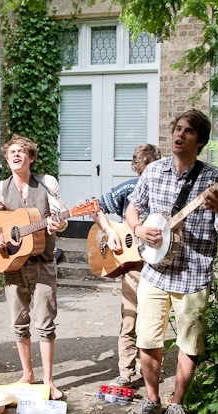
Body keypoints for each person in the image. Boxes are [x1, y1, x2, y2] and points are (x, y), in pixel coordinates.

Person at [123, 109, 218, 414]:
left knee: (189, 343)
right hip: (155, 271)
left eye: (187, 131)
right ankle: (150, 399)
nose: (179, 134)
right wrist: (138, 227)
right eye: (177, 128)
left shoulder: (214, 180)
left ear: (200, 140)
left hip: (194, 275)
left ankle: (177, 404)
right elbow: (133, 206)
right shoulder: (154, 171)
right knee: (147, 337)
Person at [0, 134, 67, 400]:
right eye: (11, 152)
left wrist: (57, 224)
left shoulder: (47, 184)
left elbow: (61, 219)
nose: (16, 155)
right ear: (6, 159)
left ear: (31, 158)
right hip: (13, 263)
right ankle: (28, 375)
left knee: (46, 322)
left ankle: (48, 381)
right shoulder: (0, 190)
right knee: (19, 322)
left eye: (21, 152)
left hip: (42, 262)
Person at [91, 144, 161, 387]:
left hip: (159, 264)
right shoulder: (129, 188)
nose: (146, 175)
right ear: (136, 169)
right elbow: (94, 206)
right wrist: (109, 231)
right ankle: (126, 370)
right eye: (142, 170)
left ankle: (147, 367)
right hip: (132, 263)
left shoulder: (167, 192)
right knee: (129, 316)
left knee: (151, 318)